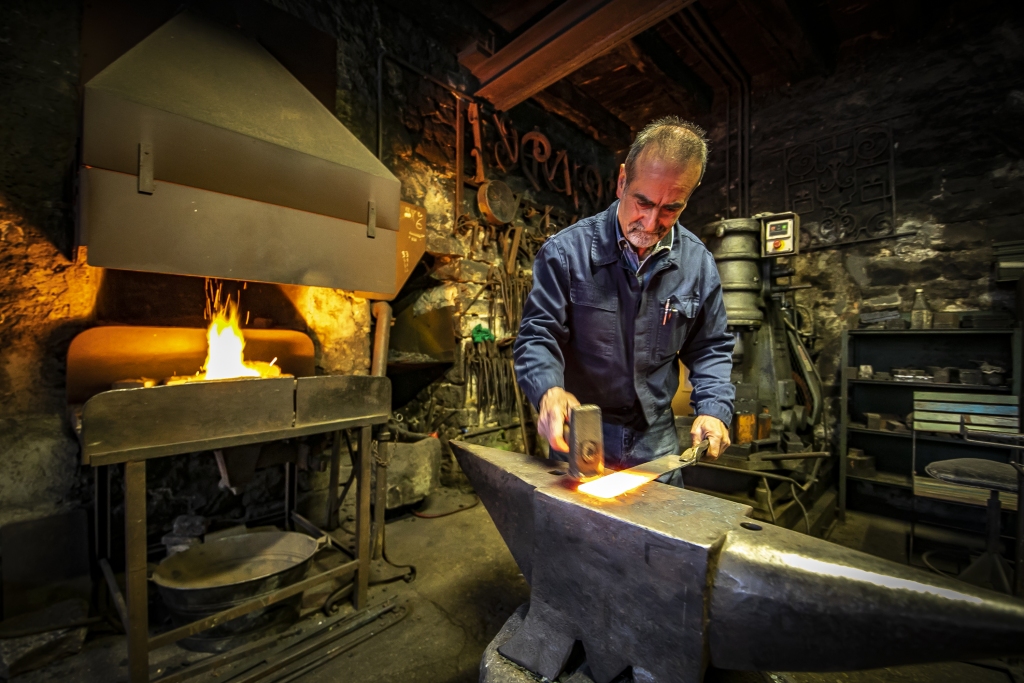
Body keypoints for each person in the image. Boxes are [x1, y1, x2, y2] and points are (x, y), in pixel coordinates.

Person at [513, 116, 734, 469]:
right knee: (576, 523)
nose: (650, 224)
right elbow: (538, 335)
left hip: (656, 434)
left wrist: (713, 409)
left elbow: (709, 345)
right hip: (582, 429)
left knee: (655, 523)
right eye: (643, 203)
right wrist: (548, 390)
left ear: (687, 200)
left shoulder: (698, 264)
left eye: (670, 209)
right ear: (621, 181)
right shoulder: (566, 253)